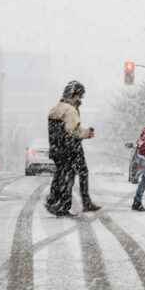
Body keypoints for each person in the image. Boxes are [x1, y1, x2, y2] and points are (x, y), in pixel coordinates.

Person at [45, 80, 97, 216]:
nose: (80, 99)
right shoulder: (70, 110)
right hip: (71, 148)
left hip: (57, 148)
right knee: (79, 173)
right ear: (74, 95)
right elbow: (73, 131)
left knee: (61, 174)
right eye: (80, 96)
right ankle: (74, 204)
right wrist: (87, 133)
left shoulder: (56, 108)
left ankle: (54, 200)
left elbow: (58, 131)